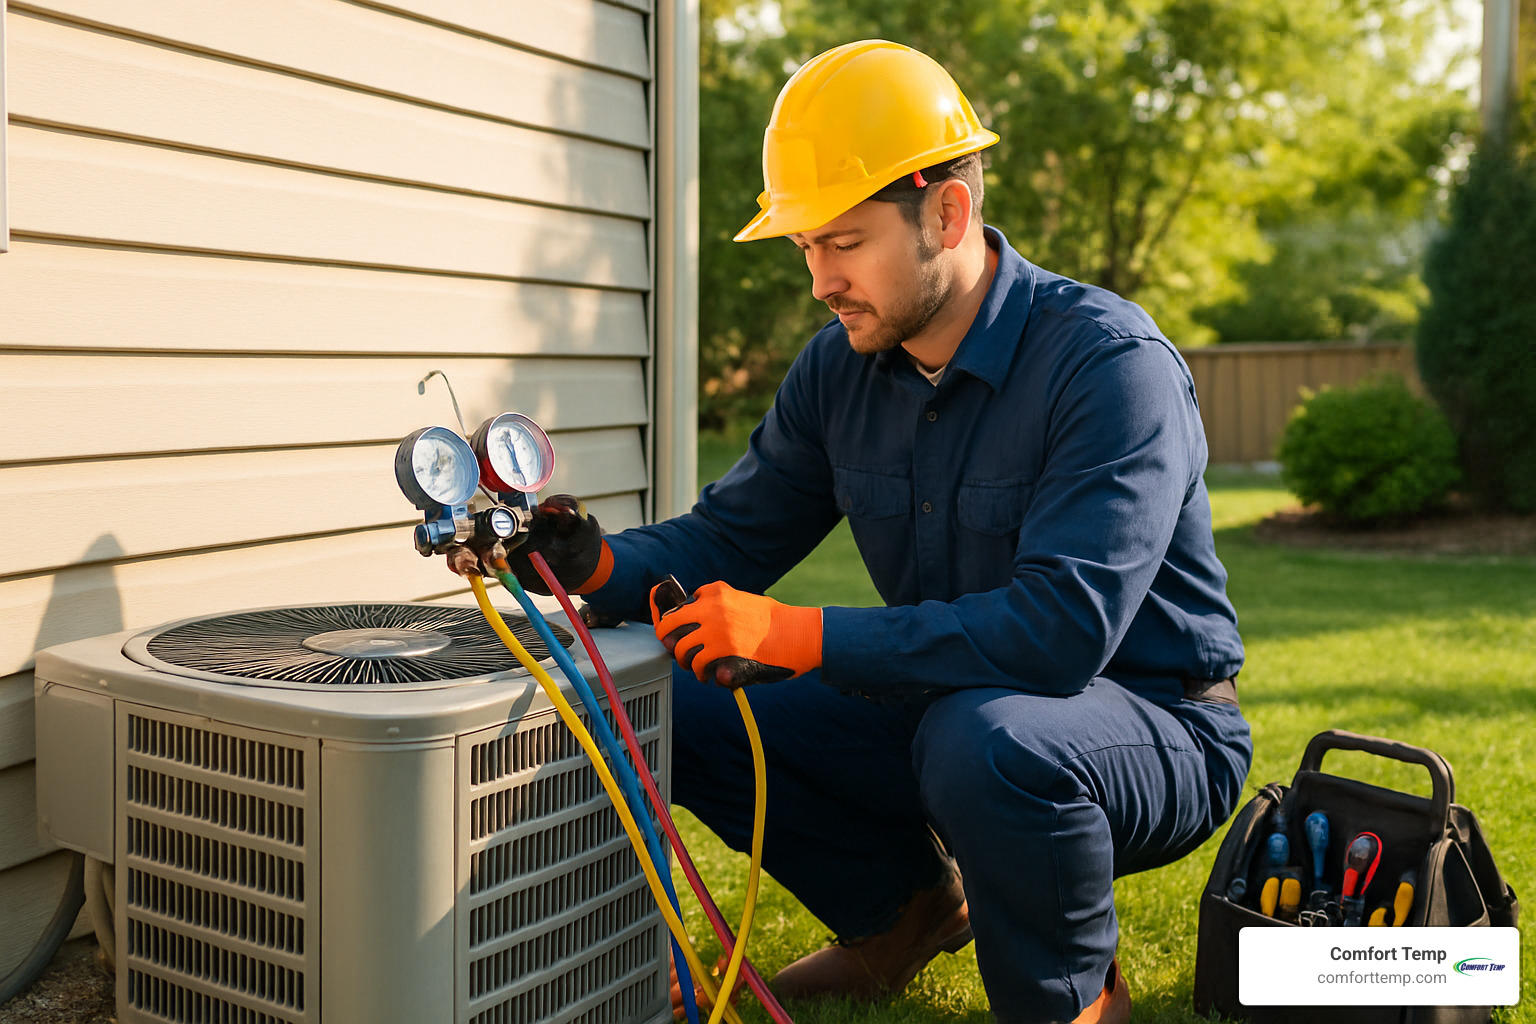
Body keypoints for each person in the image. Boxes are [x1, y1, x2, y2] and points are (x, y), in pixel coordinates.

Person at [508, 39, 1252, 1024]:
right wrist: (593, 562)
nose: (819, 279)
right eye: (805, 245)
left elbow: (1059, 633)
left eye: (843, 241)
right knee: (676, 701)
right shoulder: (840, 371)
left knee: (982, 737)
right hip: (949, 702)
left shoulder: (1109, 367)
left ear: (947, 211)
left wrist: (797, 636)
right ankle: (901, 913)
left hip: (1153, 720)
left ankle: (1075, 1000)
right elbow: (726, 538)